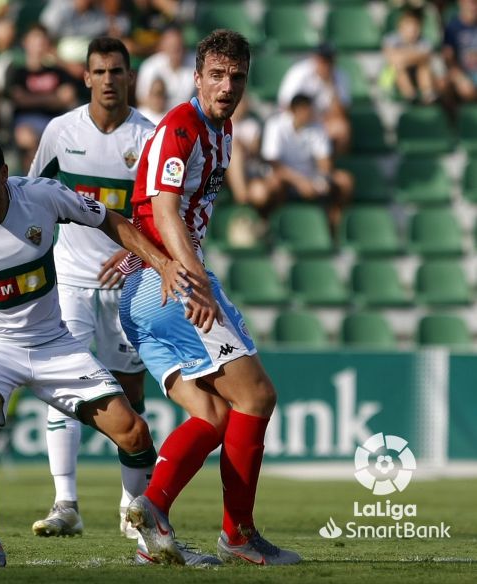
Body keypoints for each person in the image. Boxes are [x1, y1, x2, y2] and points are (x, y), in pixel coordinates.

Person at [0, 132, 189, 567]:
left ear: (4, 174)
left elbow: (111, 220)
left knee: (135, 433)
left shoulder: (42, 197)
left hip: (53, 344)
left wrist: (160, 262)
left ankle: (149, 540)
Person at [119, 29, 302, 566]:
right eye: (217, 76)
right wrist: (193, 280)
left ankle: (152, 517)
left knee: (215, 416)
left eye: (237, 77)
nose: (227, 86)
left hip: (143, 288)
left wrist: (135, 250)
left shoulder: (219, 130)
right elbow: (167, 208)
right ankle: (238, 534)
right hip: (172, 283)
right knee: (257, 397)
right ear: (196, 77)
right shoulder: (183, 125)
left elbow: (150, 209)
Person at [26, 36, 157, 542]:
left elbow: (158, 214)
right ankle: (65, 503)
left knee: (130, 392)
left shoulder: (147, 137)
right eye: (99, 71)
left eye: (117, 71)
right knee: (66, 394)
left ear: (130, 76)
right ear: (85, 77)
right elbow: (34, 196)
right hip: (71, 283)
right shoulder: (61, 132)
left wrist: (130, 253)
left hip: (130, 283)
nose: (108, 80)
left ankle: (132, 506)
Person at [250, 93, 354, 231]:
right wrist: (300, 182)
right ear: (294, 110)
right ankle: (274, 225)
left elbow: (324, 162)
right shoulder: (275, 125)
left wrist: (321, 181)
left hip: (311, 179)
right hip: (284, 178)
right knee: (275, 183)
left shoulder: (317, 126)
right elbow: (274, 164)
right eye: (305, 110)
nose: (309, 114)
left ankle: (334, 226)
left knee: (345, 181)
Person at [7, 24, 80, 173]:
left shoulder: (58, 71)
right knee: (27, 138)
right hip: (27, 120)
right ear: (25, 43)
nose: (39, 45)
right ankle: (31, 182)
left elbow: (68, 96)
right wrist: (53, 98)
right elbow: (20, 99)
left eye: (42, 40)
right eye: (35, 40)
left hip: (56, 120)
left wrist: (33, 98)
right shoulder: (18, 72)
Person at [277, 43, 351, 154]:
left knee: (342, 129)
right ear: (314, 58)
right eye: (322, 60)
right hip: (297, 119)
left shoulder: (340, 76)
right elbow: (286, 105)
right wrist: (308, 117)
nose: (326, 65)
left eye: (329, 60)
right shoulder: (298, 73)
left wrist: (331, 86)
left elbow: (341, 114)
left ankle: (330, 165)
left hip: (321, 122)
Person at [382, 6, 440, 104]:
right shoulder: (391, 39)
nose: (413, 30)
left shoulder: (424, 41)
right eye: (409, 26)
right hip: (392, 78)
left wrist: (403, 57)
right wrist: (415, 56)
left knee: (424, 66)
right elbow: (393, 59)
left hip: (416, 74)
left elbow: (426, 55)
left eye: (416, 26)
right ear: (401, 27)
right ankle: (410, 95)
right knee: (398, 69)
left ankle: (428, 94)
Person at [135, 25, 195, 111]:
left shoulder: (196, 64)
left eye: (179, 47)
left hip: (184, 116)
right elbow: (141, 99)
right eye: (172, 47)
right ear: (163, 47)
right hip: (154, 116)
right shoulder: (150, 66)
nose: (176, 51)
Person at [441, 0, 477, 104]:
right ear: (461, 3)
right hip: (463, 74)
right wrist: (460, 78)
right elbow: (448, 59)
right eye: (471, 2)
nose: (474, 6)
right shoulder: (452, 28)